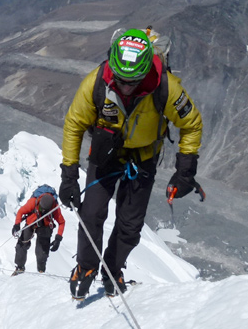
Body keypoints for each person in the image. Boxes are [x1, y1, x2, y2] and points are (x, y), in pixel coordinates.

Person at [59, 28, 203, 299]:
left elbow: (191, 123)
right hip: (105, 156)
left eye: (132, 81)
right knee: (91, 214)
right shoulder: (97, 82)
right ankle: (87, 267)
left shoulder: (165, 86)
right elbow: (74, 124)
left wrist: (186, 170)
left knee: (130, 225)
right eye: (121, 80)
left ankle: (112, 269)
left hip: (143, 158)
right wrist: (69, 173)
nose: (125, 86)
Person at [11, 187, 65, 275]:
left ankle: (41, 270)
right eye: (41, 209)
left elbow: (62, 222)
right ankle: (20, 267)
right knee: (22, 244)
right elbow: (21, 212)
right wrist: (17, 224)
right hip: (31, 222)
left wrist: (58, 238)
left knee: (42, 251)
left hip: (45, 226)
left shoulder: (55, 207)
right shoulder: (33, 202)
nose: (43, 211)